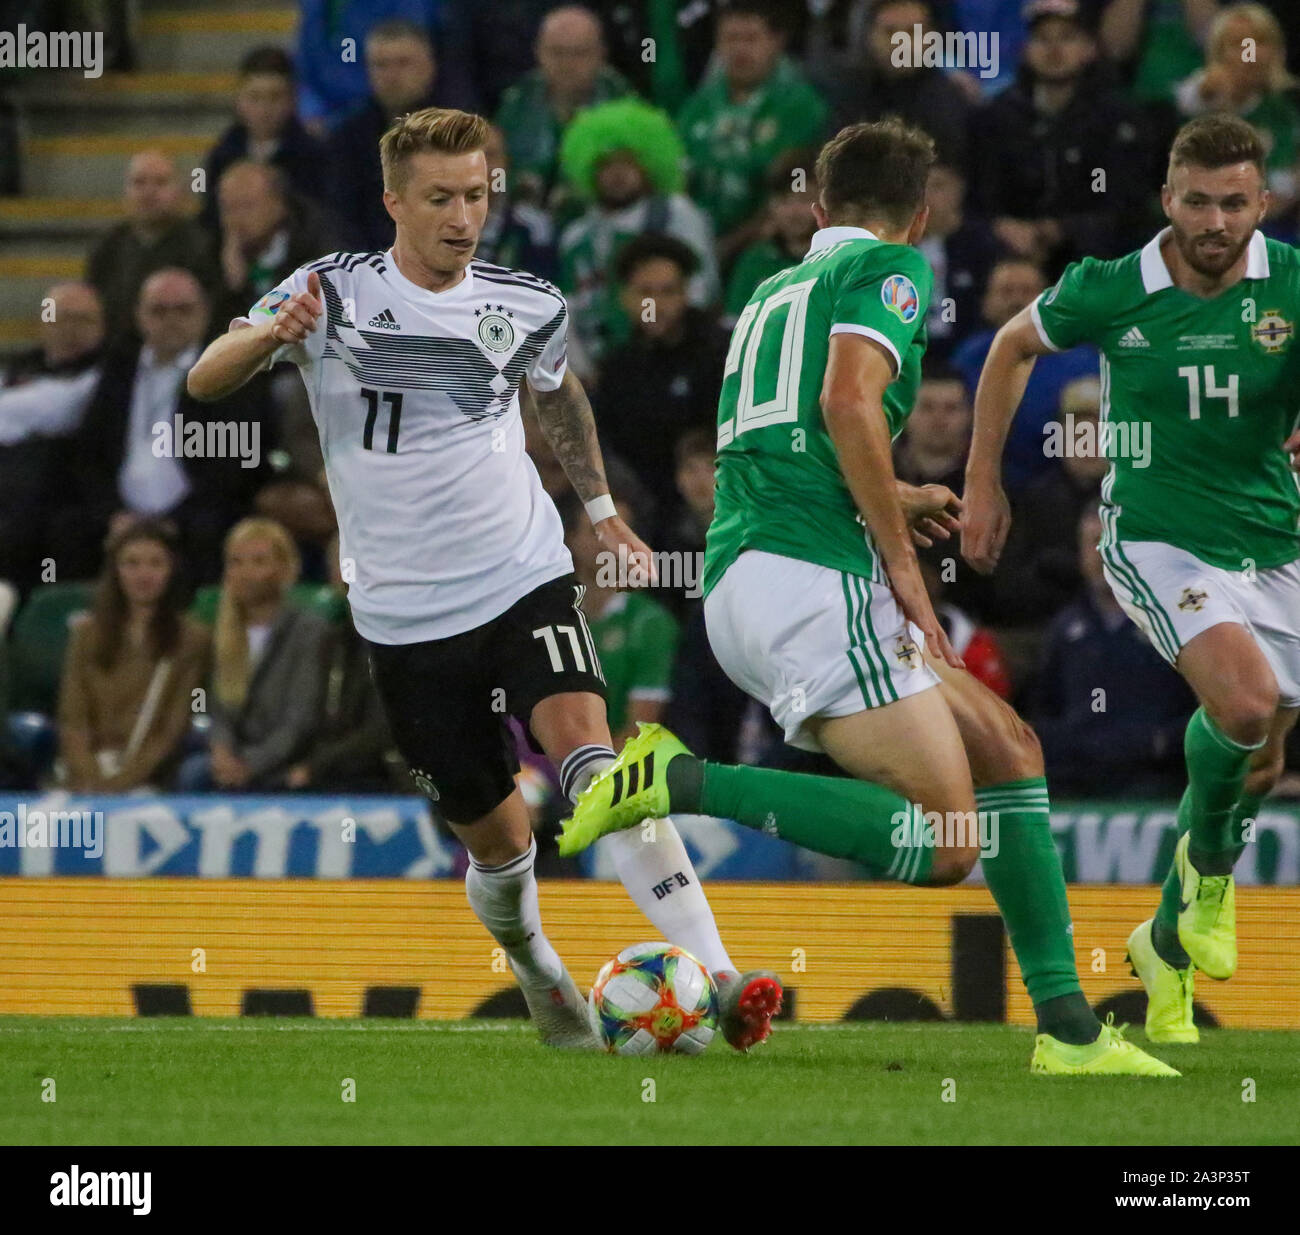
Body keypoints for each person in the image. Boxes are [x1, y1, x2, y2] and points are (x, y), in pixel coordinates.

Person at [562, 117, 1176, 1076]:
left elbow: (792, 442)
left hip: (756, 575)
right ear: (922, 215)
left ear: (817, 206)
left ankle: (1067, 1032)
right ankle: (678, 779)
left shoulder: (773, 287)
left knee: (1013, 749)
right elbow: (848, 405)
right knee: (943, 843)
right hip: (814, 580)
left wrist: (893, 497)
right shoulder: (891, 272)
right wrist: (897, 560)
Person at [186, 107, 782, 1053]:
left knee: (598, 761)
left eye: (476, 194)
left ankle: (721, 974)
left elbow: (557, 391)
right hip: (403, 614)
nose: (464, 216)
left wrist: (600, 511)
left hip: (523, 574)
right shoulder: (328, 291)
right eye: (440, 198)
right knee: (500, 844)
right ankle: (540, 971)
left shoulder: (528, 301)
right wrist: (266, 338)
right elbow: (204, 378)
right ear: (393, 201)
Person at [963, 112, 1300, 1046]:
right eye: (1198, 200)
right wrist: (982, 481)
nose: (1216, 221)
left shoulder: (1294, 284)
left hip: (1276, 542)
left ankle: (1163, 941)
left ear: (1262, 204)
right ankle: (1213, 881)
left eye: (1235, 202)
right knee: (1242, 708)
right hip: (1156, 538)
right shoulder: (1116, 286)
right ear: (1167, 199)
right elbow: (1008, 349)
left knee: (1262, 760)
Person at [49, 269, 268, 586]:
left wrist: (172, 520)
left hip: (193, 513)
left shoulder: (226, 369)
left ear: (205, 313)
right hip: (120, 514)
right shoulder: (119, 370)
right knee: (64, 528)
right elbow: (90, 453)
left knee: (211, 527)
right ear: (139, 315)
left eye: (183, 310)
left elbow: (236, 463)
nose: (171, 319)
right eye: (159, 310)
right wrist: (113, 514)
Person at [1030, 501, 1198, 796]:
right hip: (1075, 781)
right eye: (1093, 543)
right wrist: (1068, 744)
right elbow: (1045, 709)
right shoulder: (1065, 628)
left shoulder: (1175, 622)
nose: (1101, 556)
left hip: (1158, 779)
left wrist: (1160, 742)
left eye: (1110, 542)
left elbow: (1207, 708)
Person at [970, 0, 1151, 270]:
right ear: (1025, 48)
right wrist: (1002, 228)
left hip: (1092, 261)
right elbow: (978, 203)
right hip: (1011, 259)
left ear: (1090, 48)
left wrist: (1061, 229)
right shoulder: (996, 119)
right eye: (1042, 38)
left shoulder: (1117, 122)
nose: (1054, 49)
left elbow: (1125, 210)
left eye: (1067, 37)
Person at [556, 98, 720, 372]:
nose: (617, 174)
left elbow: (701, 289)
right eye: (606, 164)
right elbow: (568, 312)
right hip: (600, 371)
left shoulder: (676, 214)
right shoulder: (576, 237)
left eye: (627, 163)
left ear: (648, 163)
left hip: (674, 360)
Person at [178, 518, 332, 791]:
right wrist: (221, 752)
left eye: (259, 562)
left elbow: (301, 719)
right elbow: (213, 707)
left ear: (285, 569)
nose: (245, 572)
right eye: (236, 562)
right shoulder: (220, 630)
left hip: (286, 758)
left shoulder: (310, 631)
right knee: (190, 766)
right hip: (230, 756)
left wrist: (250, 764)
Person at [58, 518, 210, 792]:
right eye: (132, 564)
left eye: (155, 563)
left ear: (171, 570)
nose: (144, 575)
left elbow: (171, 729)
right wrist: (90, 777)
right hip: (84, 778)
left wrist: (119, 783)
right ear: (115, 571)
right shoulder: (85, 634)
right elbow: (73, 718)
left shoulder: (191, 639)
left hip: (150, 780)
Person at [678, 0, 830, 263]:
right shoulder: (698, 106)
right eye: (730, 39)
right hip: (697, 243)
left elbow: (786, 192)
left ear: (777, 41)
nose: (739, 49)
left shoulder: (799, 106)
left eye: (750, 39)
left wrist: (725, 249)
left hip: (770, 245)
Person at [591, 234, 729, 517]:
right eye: (645, 292)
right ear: (625, 297)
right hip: (647, 513)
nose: (657, 305)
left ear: (686, 294)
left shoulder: (721, 354)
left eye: (668, 291)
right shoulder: (617, 369)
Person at [950, 256, 1098, 491]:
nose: (1017, 301)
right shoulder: (968, 357)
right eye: (1006, 292)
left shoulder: (1082, 361)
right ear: (986, 302)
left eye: (1027, 291)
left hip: (1061, 490)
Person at [562, 496, 680, 749]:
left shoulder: (650, 624)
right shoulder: (544, 617)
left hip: (610, 774)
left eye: (619, 533)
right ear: (570, 539)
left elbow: (638, 733)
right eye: (596, 531)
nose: (608, 543)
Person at [326, 19, 451, 253]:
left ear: (429, 66)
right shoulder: (348, 137)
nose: (392, 76)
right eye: (381, 65)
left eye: (403, 63)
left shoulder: (454, 130)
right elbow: (341, 216)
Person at [494, 5, 631, 212]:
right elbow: (495, 169)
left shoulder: (622, 104)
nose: (567, 64)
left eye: (579, 53)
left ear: (601, 55)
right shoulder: (517, 102)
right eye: (557, 52)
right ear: (538, 52)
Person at [1174, 4, 1300, 219]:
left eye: (1259, 42)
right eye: (1238, 44)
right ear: (1218, 52)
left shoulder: (1288, 109)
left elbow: (1286, 187)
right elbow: (1193, 96)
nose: (1249, 54)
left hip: (1274, 226)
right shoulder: (1198, 100)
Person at [814, 0, 973, 168]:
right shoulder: (847, 97)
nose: (901, 43)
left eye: (912, 32)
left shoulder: (950, 105)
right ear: (869, 36)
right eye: (890, 32)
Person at [85, 151, 218, 342]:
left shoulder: (204, 246)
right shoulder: (107, 246)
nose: (149, 192)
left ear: (181, 192)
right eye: (139, 183)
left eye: (160, 182)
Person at [200, 47, 325, 232]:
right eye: (254, 97)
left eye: (275, 97)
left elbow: (320, 220)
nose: (264, 109)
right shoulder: (222, 157)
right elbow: (210, 219)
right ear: (239, 100)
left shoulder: (314, 157)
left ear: (292, 100)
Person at [214, 161, 338, 330]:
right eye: (228, 208)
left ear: (278, 204)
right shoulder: (210, 249)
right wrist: (232, 286)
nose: (236, 218)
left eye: (247, 206)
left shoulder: (317, 245)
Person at [723, 150, 820, 318]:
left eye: (804, 199)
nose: (794, 212)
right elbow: (733, 325)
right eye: (785, 201)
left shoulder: (839, 259)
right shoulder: (755, 260)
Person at [915, 162, 996, 362]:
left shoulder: (983, 245)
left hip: (970, 356)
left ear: (959, 190)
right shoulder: (888, 248)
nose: (926, 196)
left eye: (937, 186)